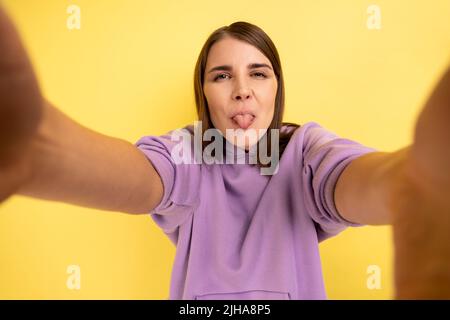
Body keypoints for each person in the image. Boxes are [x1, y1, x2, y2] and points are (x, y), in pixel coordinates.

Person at [0, 6, 449, 299]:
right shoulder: (190, 152)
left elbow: (351, 179)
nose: (242, 92)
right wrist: (36, 149)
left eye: (259, 73)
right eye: (221, 76)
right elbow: (141, 176)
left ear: (277, 88)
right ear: (204, 92)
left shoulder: (304, 151)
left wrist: (420, 180)